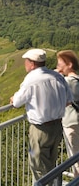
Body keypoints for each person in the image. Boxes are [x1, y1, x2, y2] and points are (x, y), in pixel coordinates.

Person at [10, 48, 72, 185]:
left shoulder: (31, 79)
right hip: (57, 126)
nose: (25, 64)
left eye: (26, 61)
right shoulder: (57, 77)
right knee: (50, 163)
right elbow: (68, 101)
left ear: (31, 63)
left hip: (40, 129)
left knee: (38, 167)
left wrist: (13, 99)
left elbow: (17, 102)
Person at [56, 50, 79, 177]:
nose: (58, 67)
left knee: (75, 157)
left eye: (60, 64)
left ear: (69, 64)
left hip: (72, 123)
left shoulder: (68, 81)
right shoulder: (77, 80)